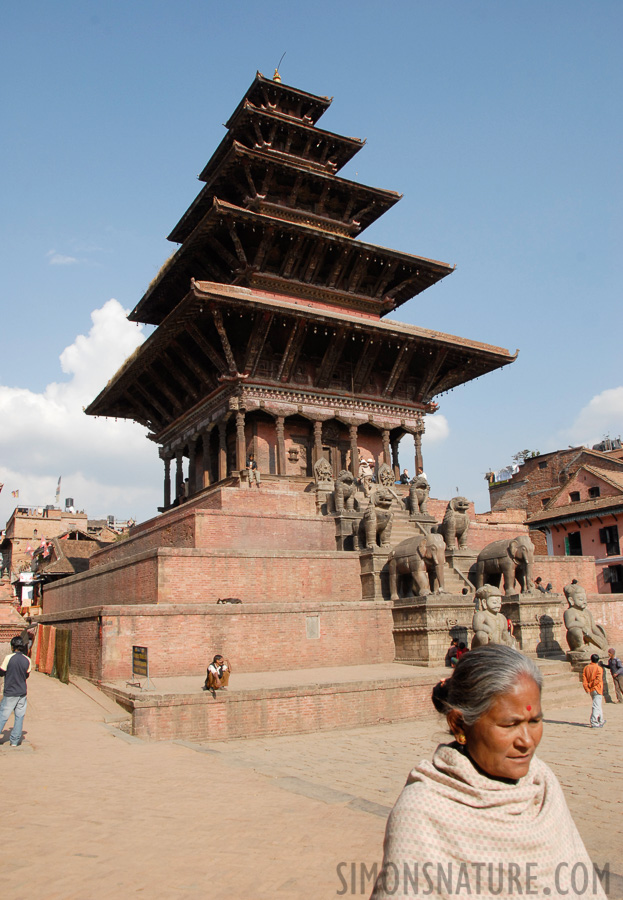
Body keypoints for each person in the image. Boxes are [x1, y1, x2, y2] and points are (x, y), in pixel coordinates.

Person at [371, 645, 607, 899]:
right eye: (510, 724)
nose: (527, 741)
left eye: (535, 721)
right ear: (459, 723)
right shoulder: (421, 813)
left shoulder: (542, 782)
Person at [0, 635, 32, 747]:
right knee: (19, 717)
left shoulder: (9, 658)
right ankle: (14, 742)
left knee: (3, 716)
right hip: (22, 693)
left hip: (10, 693)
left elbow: (2, 672)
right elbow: (27, 675)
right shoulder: (27, 660)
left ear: (13, 647)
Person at [582, 653, 605, 728]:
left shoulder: (586, 668)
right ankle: (594, 721)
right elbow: (598, 679)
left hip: (591, 690)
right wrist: (590, 685)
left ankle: (600, 720)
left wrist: (586, 687)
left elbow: (584, 679)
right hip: (597, 688)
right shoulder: (599, 668)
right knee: (596, 705)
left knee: (598, 705)